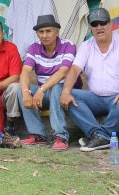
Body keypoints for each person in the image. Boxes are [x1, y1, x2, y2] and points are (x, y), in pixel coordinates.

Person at [60, 8, 119, 151]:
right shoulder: (86, 46)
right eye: (95, 24)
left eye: (102, 23)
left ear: (110, 24)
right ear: (91, 28)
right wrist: (66, 90)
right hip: (94, 97)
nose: (99, 27)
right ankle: (99, 135)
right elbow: (74, 70)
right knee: (70, 95)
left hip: (118, 96)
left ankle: (98, 136)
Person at [18, 15, 78, 151]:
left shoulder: (68, 46)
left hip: (64, 92)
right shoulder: (34, 47)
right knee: (19, 88)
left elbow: (63, 72)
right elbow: (25, 71)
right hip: (44, 94)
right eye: (41, 32)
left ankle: (61, 136)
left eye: (48, 31)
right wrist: (26, 92)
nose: (44, 35)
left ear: (57, 32)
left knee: (57, 87)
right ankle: (38, 135)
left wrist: (41, 90)